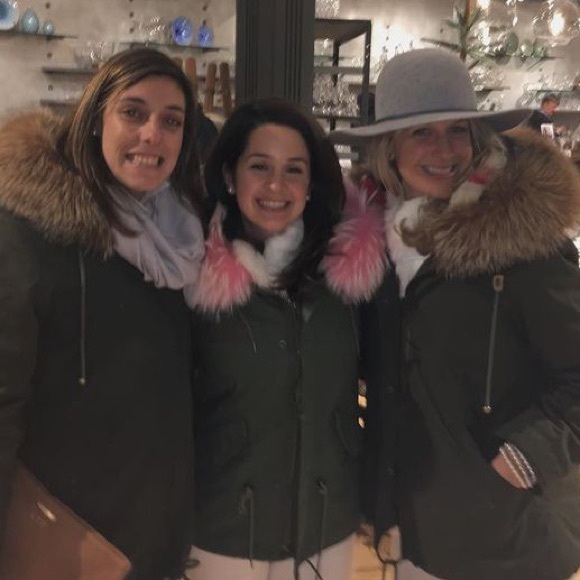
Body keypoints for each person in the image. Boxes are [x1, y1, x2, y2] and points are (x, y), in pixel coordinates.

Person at [333, 48, 580, 580]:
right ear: (389, 148)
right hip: (414, 534)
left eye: (457, 131)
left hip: (511, 540)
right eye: (422, 133)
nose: (443, 149)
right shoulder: (374, 249)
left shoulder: (522, 242)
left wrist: (525, 456)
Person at [0, 47, 205, 580]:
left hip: (156, 537)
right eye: (133, 112)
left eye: (171, 121)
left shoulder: (182, 238)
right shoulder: (28, 236)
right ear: (95, 120)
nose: (151, 135)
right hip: (67, 540)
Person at [186, 97, 387, 580]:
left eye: (294, 170)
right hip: (223, 528)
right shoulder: (189, 272)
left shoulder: (347, 276)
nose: (276, 186)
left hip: (326, 525)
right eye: (260, 166)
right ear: (230, 176)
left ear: (311, 184)